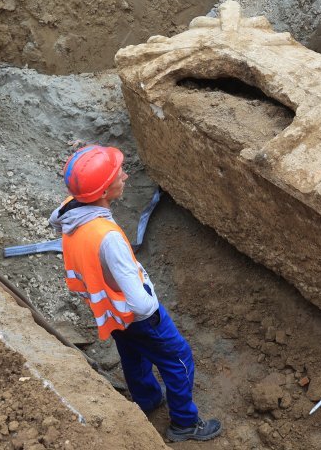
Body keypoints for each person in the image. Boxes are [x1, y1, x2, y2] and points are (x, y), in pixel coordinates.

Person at [49, 145, 222, 442]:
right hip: (137, 315)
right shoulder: (108, 238)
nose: (126, 176)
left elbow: (58, 224)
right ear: (104, 191)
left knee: (134, 356)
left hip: (109, 312)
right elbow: (140, 304)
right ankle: (184, 423)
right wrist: (151, 305)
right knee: (178, 358)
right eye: (119, 175)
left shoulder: (69, 209)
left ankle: (147, 400)